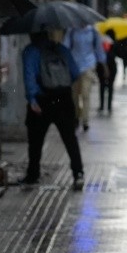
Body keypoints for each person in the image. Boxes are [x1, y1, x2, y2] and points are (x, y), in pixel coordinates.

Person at [19, 31, 85, 190]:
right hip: (64, 98)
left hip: (42, 100)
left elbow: (29, 77)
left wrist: (32, 99)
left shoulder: (30, 51)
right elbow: (75, 73)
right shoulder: (61, 49)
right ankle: (78, 173)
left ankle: (33, 174)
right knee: (70, 138)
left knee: (35, 141)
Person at [63, 25, 107, 132]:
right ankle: (76, 116)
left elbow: (98, 49)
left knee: (85, 94)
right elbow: (65, 47)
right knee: (74, 95)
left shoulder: (93, 31)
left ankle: (85, 120)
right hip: (74, 66)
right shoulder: (72, 30)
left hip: (88, 66)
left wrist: (104, 64)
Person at [98, 29, 119, 113]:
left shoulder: (101, 43)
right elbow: (119, 54)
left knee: (102, 86)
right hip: (112, 66)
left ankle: (102, 105)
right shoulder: (114, 43)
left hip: (101, 66)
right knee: (110, 86)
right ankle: (109, 106)